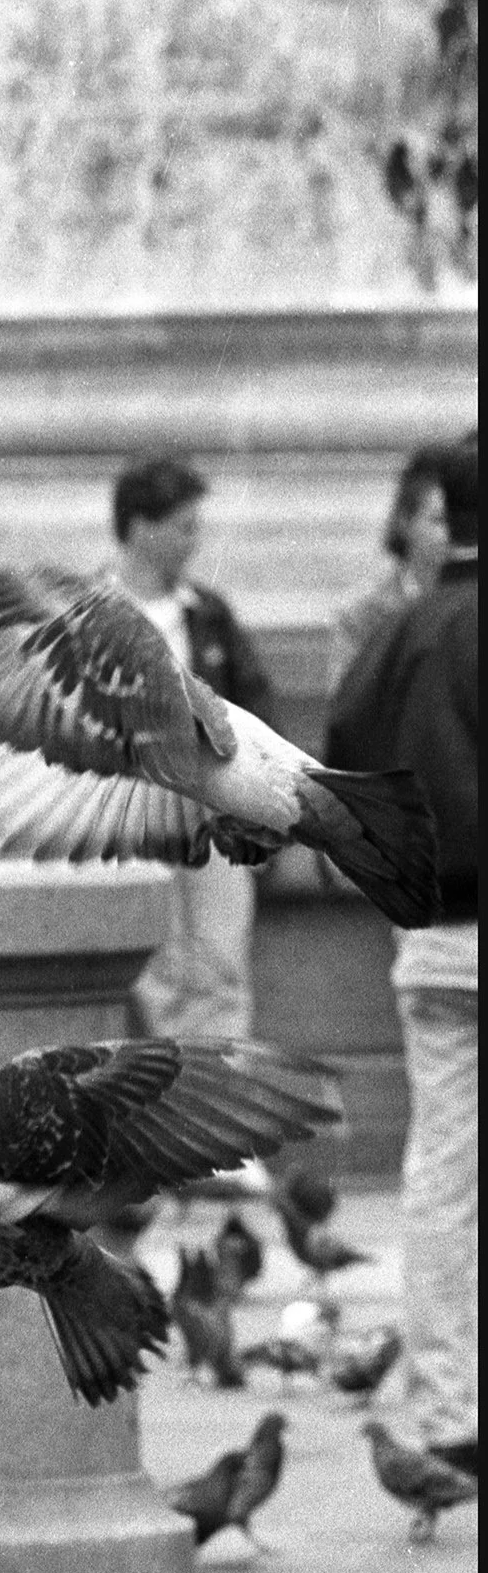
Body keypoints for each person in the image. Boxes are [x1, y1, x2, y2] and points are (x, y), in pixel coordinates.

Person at [328, 439, 477, 1459]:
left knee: (441, 1177)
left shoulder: (398, 632)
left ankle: (454, 1415)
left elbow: (337, 767)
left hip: (433, 937)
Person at [110, 456, 275, 1046]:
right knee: (152, 969)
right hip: (128, 810)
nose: (193, 541)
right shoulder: (94, 616)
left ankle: (225, 1104)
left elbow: (254, 706)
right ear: (140, 528)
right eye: (183, 526)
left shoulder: (208, 615)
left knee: (221, 961)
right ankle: (170, 1105)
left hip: (212, 808)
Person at [328, 443, 450, 692]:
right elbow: (347, 713)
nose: (453, 533)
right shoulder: (361, 617)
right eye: (440, 520)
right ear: (405, 521)